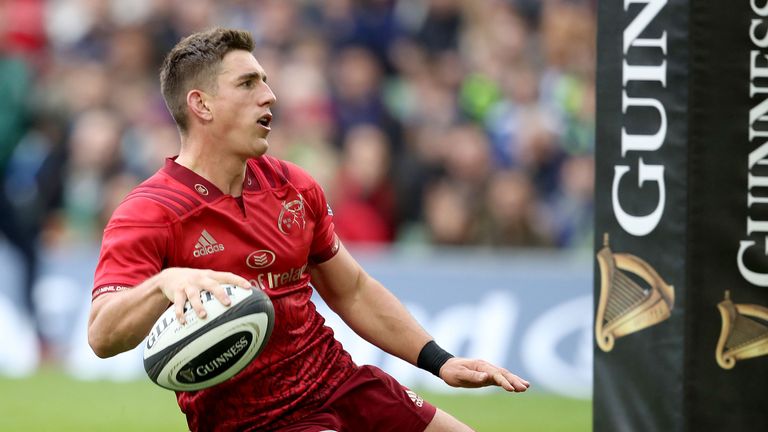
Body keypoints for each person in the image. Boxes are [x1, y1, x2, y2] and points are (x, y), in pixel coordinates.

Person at [87, 27, 529, 432]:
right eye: (248, 84)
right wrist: (164, 283)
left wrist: (440, 361)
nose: (270, 96)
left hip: (341, 385)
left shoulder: (292, 186)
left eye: (265, 80)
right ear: (201, 104)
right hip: (253, 423)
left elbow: (351, 289)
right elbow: (102, 335)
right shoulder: (149, 211)